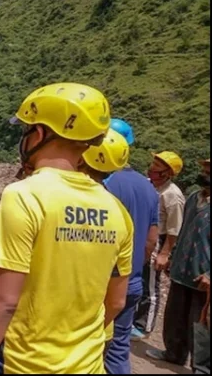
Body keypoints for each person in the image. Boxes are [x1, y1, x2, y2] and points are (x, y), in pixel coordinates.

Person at [0, 82, 134, 374]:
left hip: (22, 364)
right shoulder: (117, 211)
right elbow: (115, 300)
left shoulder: (24, 195)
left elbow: (3, 303)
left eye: (25, 131)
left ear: (38, 134)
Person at [80, 125, 159, 374]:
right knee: (118, 351)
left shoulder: (102, 185)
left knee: (86, 350)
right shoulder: (148, 187)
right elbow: (151, 239)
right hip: (131, 282)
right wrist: (135, 269)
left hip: (101, 284)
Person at [147, 159, 210, 367]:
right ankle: (174, 353)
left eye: (209, 171)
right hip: (183, 267)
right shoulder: (194, 198)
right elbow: (181, 230)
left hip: (204, 274)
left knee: (200, 323)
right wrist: (172, 256)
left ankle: (200, 367)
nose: (204, 173)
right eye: (204, 169)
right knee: (175, 315)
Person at [134, 151, 186, 339]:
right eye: (153, 162)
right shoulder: (150, 186)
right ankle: (135, 318)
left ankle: (144, 326)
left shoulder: (172, 195)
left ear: (168, 173)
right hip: (144, 235)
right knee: (138, 279)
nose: (152, 167)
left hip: (159, 241)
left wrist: (164, 254)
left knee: (150, 285)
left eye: (158, 165)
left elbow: (174, 229)